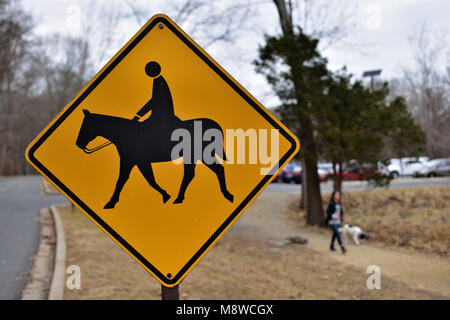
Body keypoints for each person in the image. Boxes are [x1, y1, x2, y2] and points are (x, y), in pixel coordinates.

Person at [132, 61, 182, 133]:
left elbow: (154, 101)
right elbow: (154, 101)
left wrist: (139, 115)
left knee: (144, 129)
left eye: (150, 70)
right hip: (160, 114)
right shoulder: (158, 80)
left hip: (162, 115)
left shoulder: (159, 81)